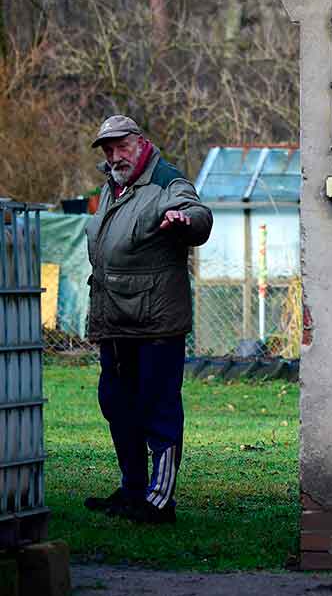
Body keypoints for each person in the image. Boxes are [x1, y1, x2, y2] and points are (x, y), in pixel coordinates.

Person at [83, 115, 212, 524]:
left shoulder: (166, 181)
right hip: (115, 321)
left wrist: (185, 221)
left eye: (121, 146)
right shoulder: (113, 187)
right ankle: (132, 490)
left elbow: (199, 215)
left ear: (140, 142)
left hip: (156, 324)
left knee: (158, 409)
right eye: (108, 149)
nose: (114, 156)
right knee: (117, 406)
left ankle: (159, 501)